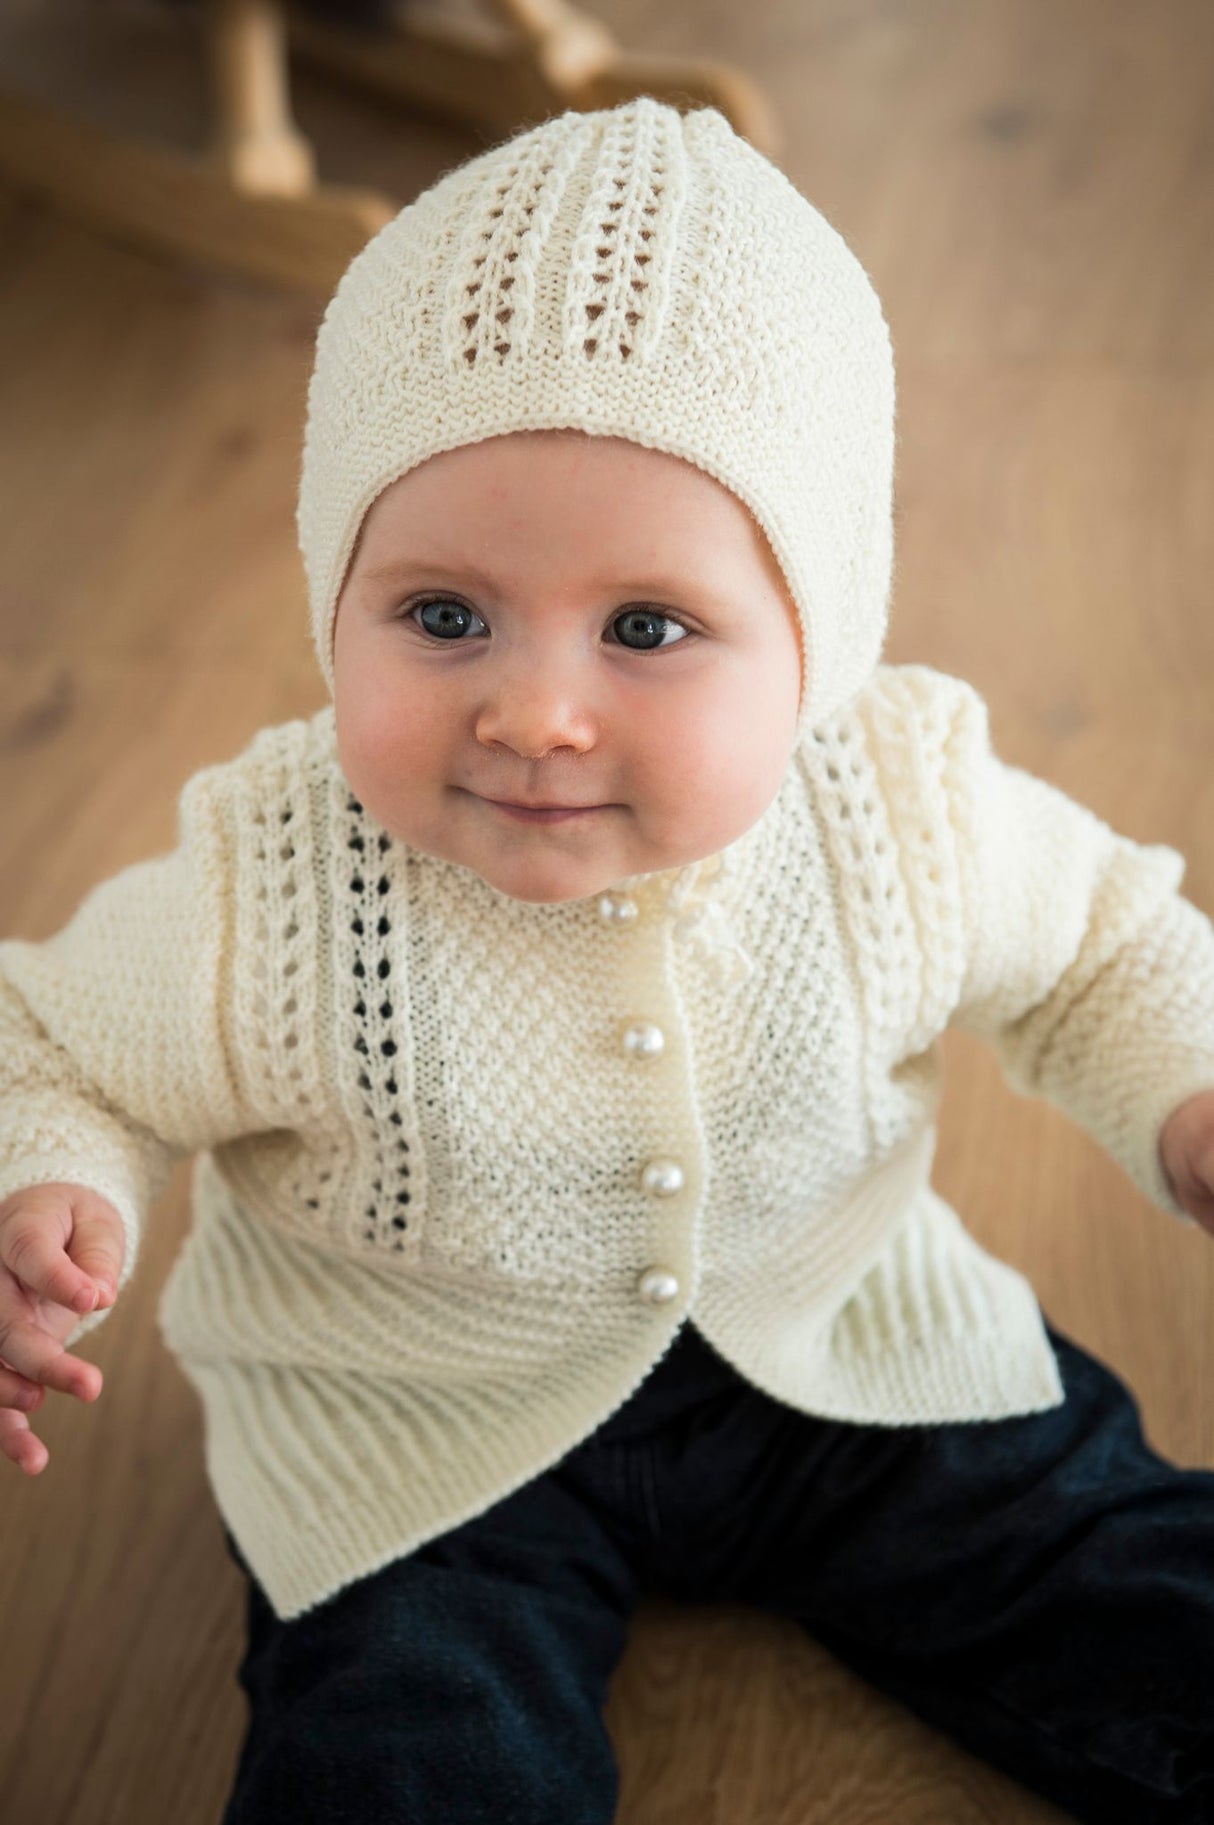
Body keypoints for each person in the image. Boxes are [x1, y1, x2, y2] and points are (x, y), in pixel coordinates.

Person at [2, 95, 1214, 1825]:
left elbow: (1101, 943)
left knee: (1125, 1575)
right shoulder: (277, 876)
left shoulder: (900, 798)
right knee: (415, 1743)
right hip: (418, 1431)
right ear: (328, 589)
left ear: (818, 636)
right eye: (441, 615)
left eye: (648, 629)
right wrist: (52, 1188)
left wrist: (1185, 1089)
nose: (533, 708)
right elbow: (52, 1037)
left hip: (838, 1345)